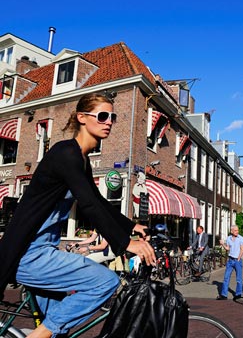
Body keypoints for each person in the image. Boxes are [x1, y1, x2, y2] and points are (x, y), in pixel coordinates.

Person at [0, 93, 156, 338]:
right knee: (105, 283)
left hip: (44, 250)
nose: (109, 122)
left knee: (60, 331)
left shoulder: (81, 159)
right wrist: (126, 244)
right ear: (82, 118)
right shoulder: (66, 154)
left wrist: (132, 227)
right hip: (29, 253)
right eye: (102, 116)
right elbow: (89, 206)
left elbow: (99, 202)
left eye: (112, 117)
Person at [216, 225, 243, 301]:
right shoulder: (229, 238)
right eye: (235, 230)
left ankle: (238, 294)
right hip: (230, 260)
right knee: (226, 277)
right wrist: (222, 244)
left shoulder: (241, 238)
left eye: (237, 230)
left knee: (238, 278)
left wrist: (239, 258)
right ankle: (224, 295)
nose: (237, 232)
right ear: (231, 231)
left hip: (237, 261)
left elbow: (242, 249)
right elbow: (228, 248)